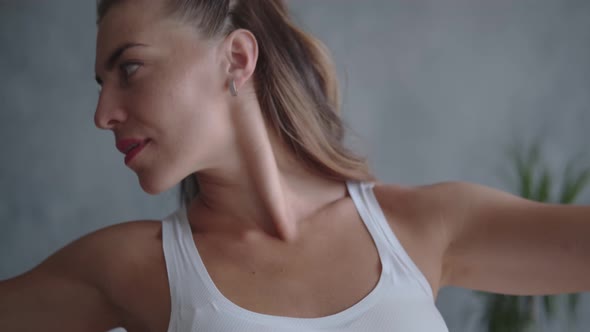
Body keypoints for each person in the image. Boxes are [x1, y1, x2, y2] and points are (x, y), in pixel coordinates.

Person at [1, 0, 589, 331]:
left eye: (128, 69)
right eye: (100, 84)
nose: (102, 113)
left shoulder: (422, 228)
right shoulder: (132, 267)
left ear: (235, 58)